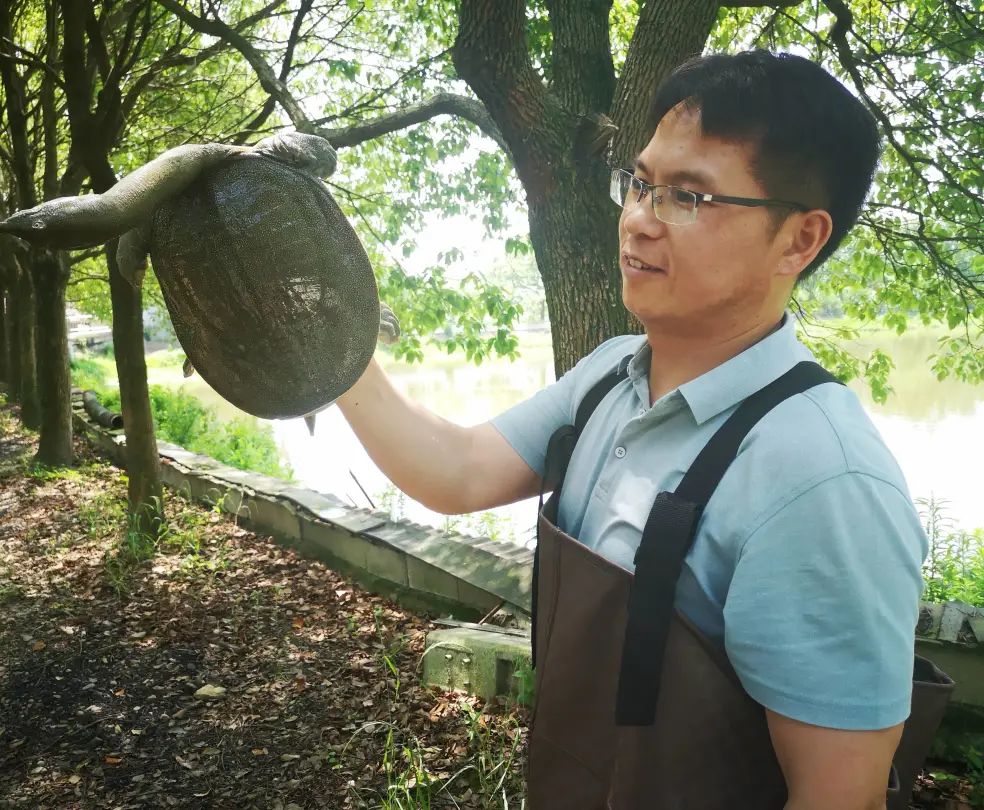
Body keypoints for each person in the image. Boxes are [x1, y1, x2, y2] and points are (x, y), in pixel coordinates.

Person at [338, 50, 928, 809]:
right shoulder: (612, 374)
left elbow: (837, 799)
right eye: (641, 183)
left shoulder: (821, 479)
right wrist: (323, 329)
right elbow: (455, 470)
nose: (640, 219)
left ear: (799, 241)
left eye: (689, 197)